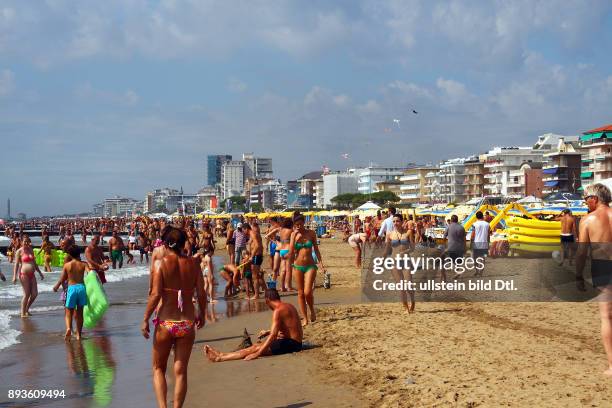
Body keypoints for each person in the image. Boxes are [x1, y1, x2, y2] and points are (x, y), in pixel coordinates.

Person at [141, 226, 207, 408]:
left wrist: (145, 318)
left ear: (165, 243)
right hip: (186, 323)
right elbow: (201, 294)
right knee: (181, 371)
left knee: (158, 368)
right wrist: (203, 313)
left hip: (165, 323)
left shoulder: (160, 264)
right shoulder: (194, 264)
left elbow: (155, 295)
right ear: (183, 242)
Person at [204, 288, 302, 362]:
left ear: (267, 300)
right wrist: (268, 332)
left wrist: (257, 354)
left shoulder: (278, 310)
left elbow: (273, 335)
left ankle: (220, 357)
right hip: (295, 342)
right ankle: (222, 354)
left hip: (292, 345)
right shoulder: (289, 305)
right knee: (257, 345)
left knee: (255, 348)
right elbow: (289, 328)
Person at [575, 183, 612, 376]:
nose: (584, 203)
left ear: (594, 199)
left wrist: (578, 275)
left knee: (607, 316)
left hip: (603, 266)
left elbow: (581, 252)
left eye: (585, 199)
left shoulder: (588, 220)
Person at [288, 212, 326, 326]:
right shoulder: (293, 235)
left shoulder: (311, 233)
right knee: (300, 293)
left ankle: (312, 310)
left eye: (300, 224)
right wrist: (294, 239)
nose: (298, 227)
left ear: (304, 223)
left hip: (310, 265)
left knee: (308, 292)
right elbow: (290, 254)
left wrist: (321, 264)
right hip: (298, 266)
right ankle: (305, 318)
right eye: (296, 225)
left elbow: (316, 250)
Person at [53, 245, 89, 341]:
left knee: (69, 312)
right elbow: (90, 274)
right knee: (80, 313)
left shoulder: (67, 265)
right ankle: (78, 335)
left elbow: (62, 279)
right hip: (81, 288)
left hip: (71, 288)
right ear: (79, 253)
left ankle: (69, 328)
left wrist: (56, 286)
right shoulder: (84, 264)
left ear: (70, 255)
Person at [385, 214, 415, 312]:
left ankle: (413, 301)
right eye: (393, 221)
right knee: (401, 287)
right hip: (394, 262)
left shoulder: (408, 232)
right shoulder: (389, 234)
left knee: (408, 284)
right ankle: (406, 307)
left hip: (406, 261)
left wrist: (404, 252)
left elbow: (412, 248)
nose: (395, 223)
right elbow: (387, 250)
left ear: (402, 222)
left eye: (397, 221)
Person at [12, 235, 44, 317]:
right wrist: (14, 276)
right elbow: (16, 264)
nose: (26, 243)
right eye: (24, 241)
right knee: (26, 294)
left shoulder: (31, 250)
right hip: (24, 274)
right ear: (21, 242)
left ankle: (26, 309)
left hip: (32, 275)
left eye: (27, 241)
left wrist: (40, 273)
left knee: (34, 294)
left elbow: (34, 263)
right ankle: (23, 313)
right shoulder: (19, 251)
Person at [245, 221, 265, 300]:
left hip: (256, 256)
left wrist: (252, 256)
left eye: (243, 230)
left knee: (255, 276)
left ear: (246, 229)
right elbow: (253, 245)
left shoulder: (253, 233)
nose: (244, 232)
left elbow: (257, 245)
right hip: (257, 256)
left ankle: (256, 295)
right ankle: (266, 291)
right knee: (258, 275)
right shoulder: (252, 234)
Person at [444, 215, 466, 281]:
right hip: (460, 247)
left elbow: (444, 237)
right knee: (459, 261)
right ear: (457, 220)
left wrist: (445, 245)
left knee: (453, 261)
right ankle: (457, 271)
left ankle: (456, 272)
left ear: (451, 220)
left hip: (451, 247)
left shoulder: (448, 227)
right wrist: (465, 247)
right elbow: (464, 239)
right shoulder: (461, 227)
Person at [470, 211, 490, 276]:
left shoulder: (474, 224)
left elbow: (473, 235)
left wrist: (471, 242)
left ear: (476, 217)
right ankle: (481, 272)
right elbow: (488, 235)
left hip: (476, 242)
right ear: (482, 216)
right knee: (483, 258)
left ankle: (477, 271)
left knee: (474, 257)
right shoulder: (487, 224)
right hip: (484, 242)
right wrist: (488, 243)